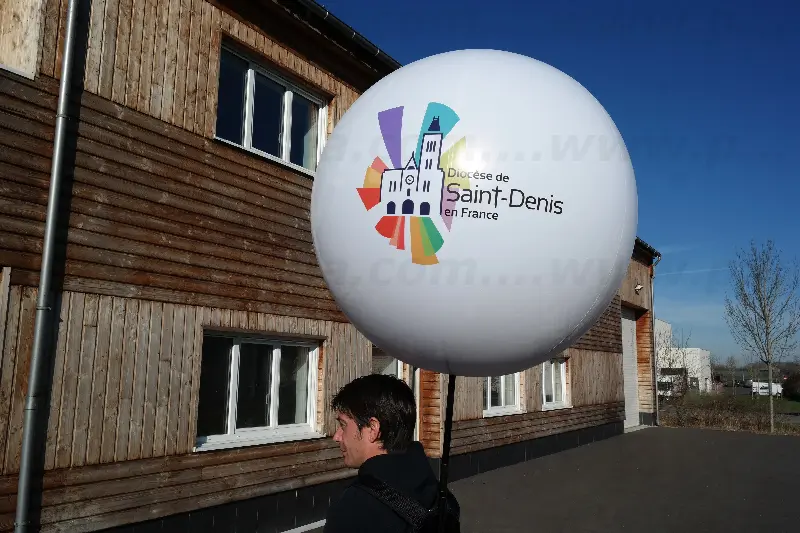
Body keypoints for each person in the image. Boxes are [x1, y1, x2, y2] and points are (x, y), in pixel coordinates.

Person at [323, 373, 460, 533]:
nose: (336, 436)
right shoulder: (442, 497)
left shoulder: (353, 509)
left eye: (343, 425)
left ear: (373, 429)